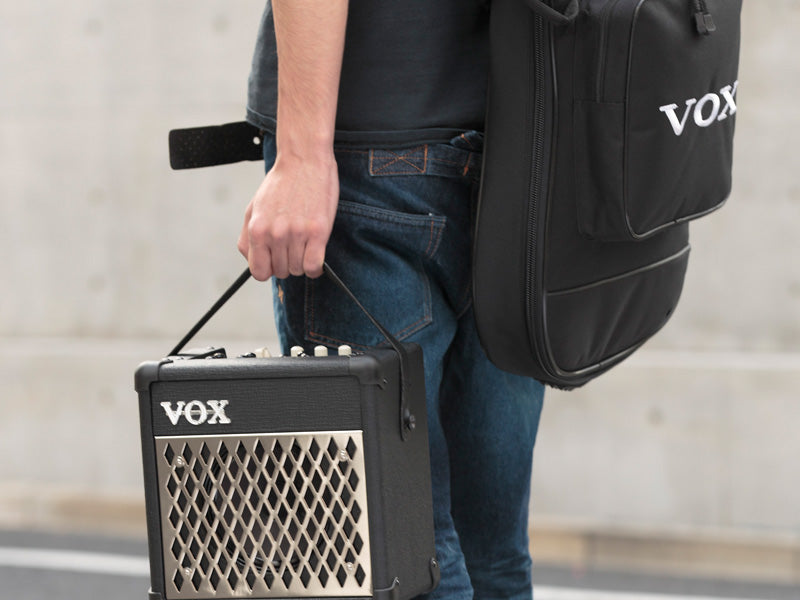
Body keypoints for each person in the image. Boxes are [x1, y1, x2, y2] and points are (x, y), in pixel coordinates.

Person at [237, 1, 545, 598]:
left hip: (374, 147)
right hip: (524, 147)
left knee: (400, 556)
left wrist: (302, 156)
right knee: (491, 555)